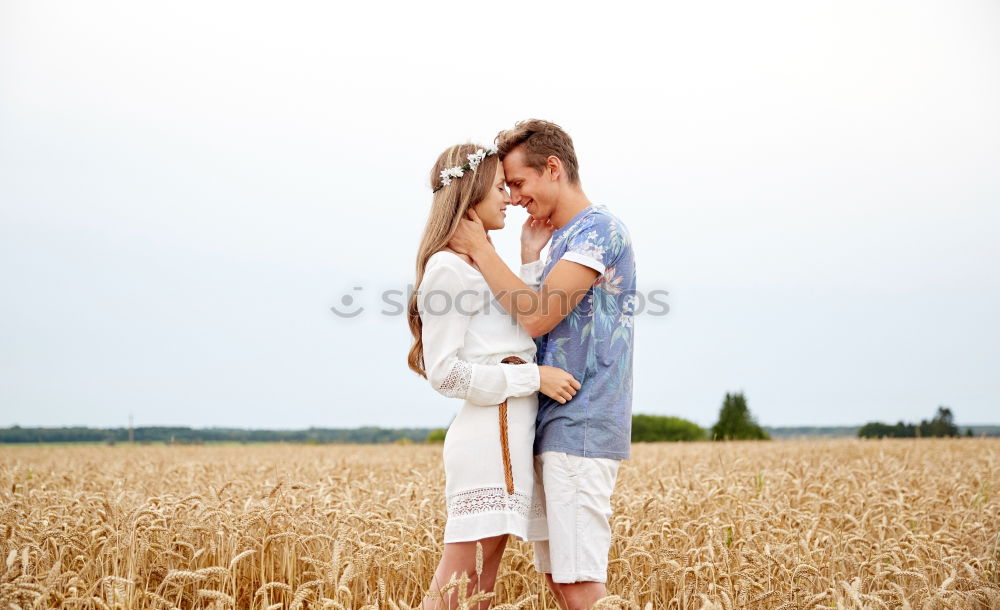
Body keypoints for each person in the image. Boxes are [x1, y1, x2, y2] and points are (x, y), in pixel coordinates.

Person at [447, 120, 636, 610]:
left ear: (553, 168)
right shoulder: (564, 240)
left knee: (578, 583)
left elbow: (536, 318)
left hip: (582, 424)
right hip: (555, 426)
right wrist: (529, 258)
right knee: (561, 581)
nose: (512, 197)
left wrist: (483, 250)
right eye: (505, 187)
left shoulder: (598, 230)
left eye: (518, 183)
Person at [407, 142, 582, 609]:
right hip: (489, 439)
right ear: (471, 192)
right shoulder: (448, 268)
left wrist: (527, 259)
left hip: (508, 437)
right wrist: (534, 379)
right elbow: (444, 374)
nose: (509, 198)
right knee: (457, 587)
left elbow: (514, 328)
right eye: (500, 187)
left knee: (478, 590)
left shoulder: (477, 267)